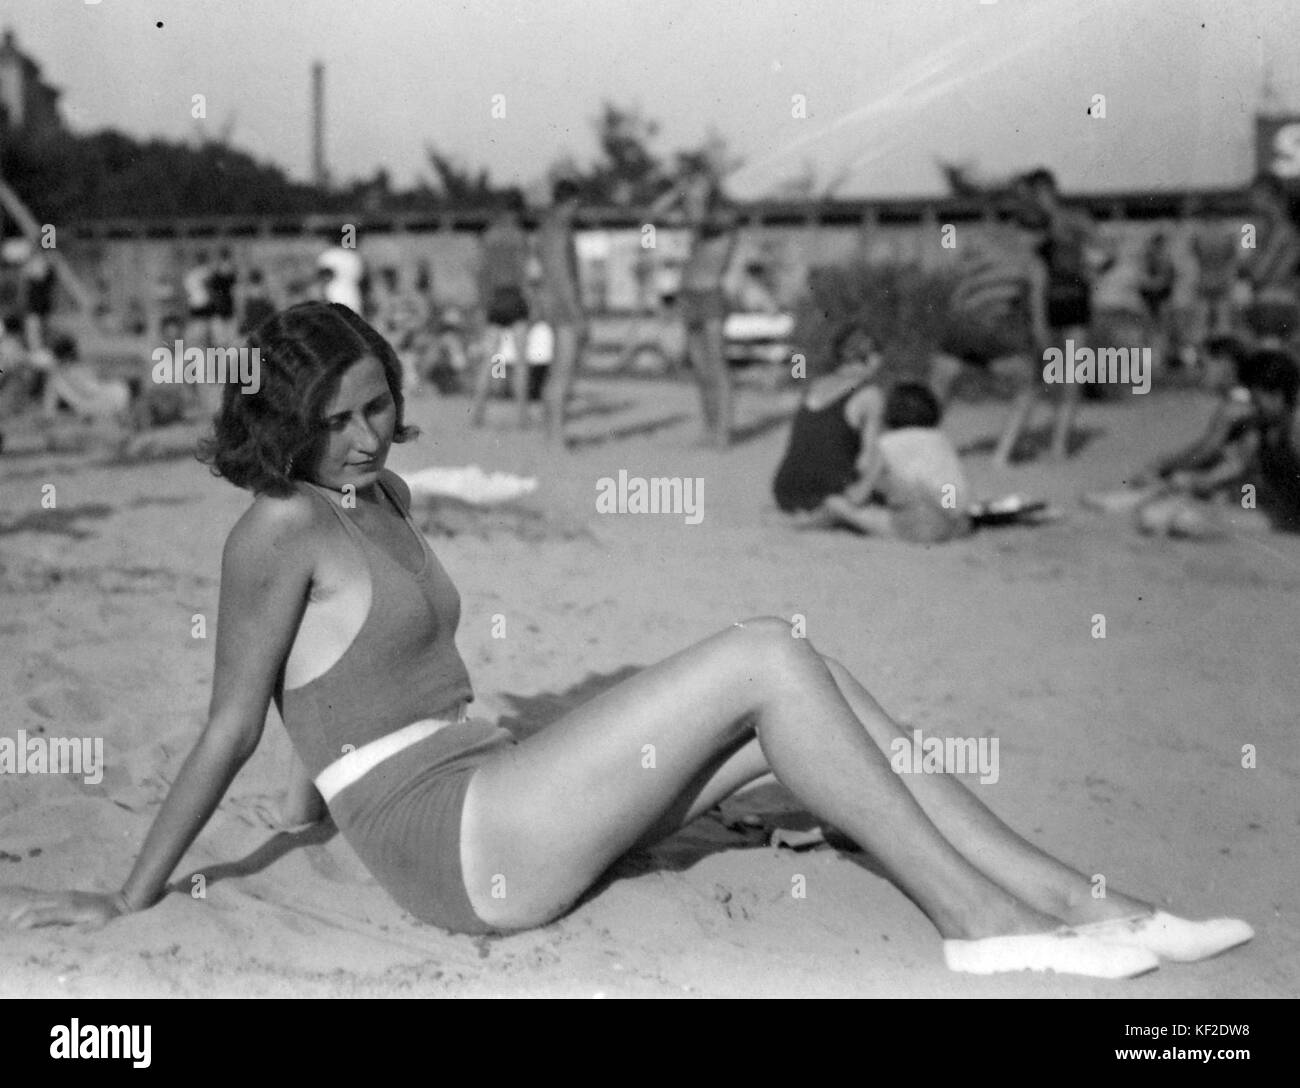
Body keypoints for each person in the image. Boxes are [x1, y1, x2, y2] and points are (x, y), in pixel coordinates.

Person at [2, 300, 1255, 979]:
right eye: (342, 418)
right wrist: (132, 893)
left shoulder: (371, 497)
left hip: (497, 781)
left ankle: (1088, 900)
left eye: (383, 404)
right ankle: (978, 921)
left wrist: (306, 813)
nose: (374, 435)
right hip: (466, 846)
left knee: (824, 686)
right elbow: (237, 714)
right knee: (766, 649)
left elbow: (318, 697)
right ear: (289, 420)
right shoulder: (272, 528)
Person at [820, 383, 973, 544]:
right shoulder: (941, 439)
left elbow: (859, 496)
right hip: (959, 524)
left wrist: (850, 489)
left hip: (919, 526)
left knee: (834, 502)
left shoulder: (888, 443)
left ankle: (804, 526)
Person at [656, 170, 740, 448]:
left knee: (717, 366)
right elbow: (652, 215)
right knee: (701, 369)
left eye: (699, 188)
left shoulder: (723, 217)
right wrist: (677, 190)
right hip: (688, 296)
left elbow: (702, 222)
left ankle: (724, 432)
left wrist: (689, 198)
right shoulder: (698, 218)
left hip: (711, 295)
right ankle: (710, 427)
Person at [772, 323, 885, 519]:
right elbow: (867, 458)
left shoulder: (815, 384)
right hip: (829, 491)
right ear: (871, 356)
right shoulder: (870, 394)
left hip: (786, 489)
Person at [534, 178, 587, 445]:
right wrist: (578, 314)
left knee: (556, 370)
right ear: (568, 202)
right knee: (563, 372)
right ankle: (557, 434)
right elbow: (563, 276)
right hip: (564, 307)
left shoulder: (544, 228)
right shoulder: (560, 229)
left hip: (552, 306)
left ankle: (551, 433)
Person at [208, 247, 239, 346]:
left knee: (232, 343)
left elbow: (236, 295)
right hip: (218, 313)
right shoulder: (215, 278)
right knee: (219, 343)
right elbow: (213, 295)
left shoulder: (232, 277)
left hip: (230, 312)